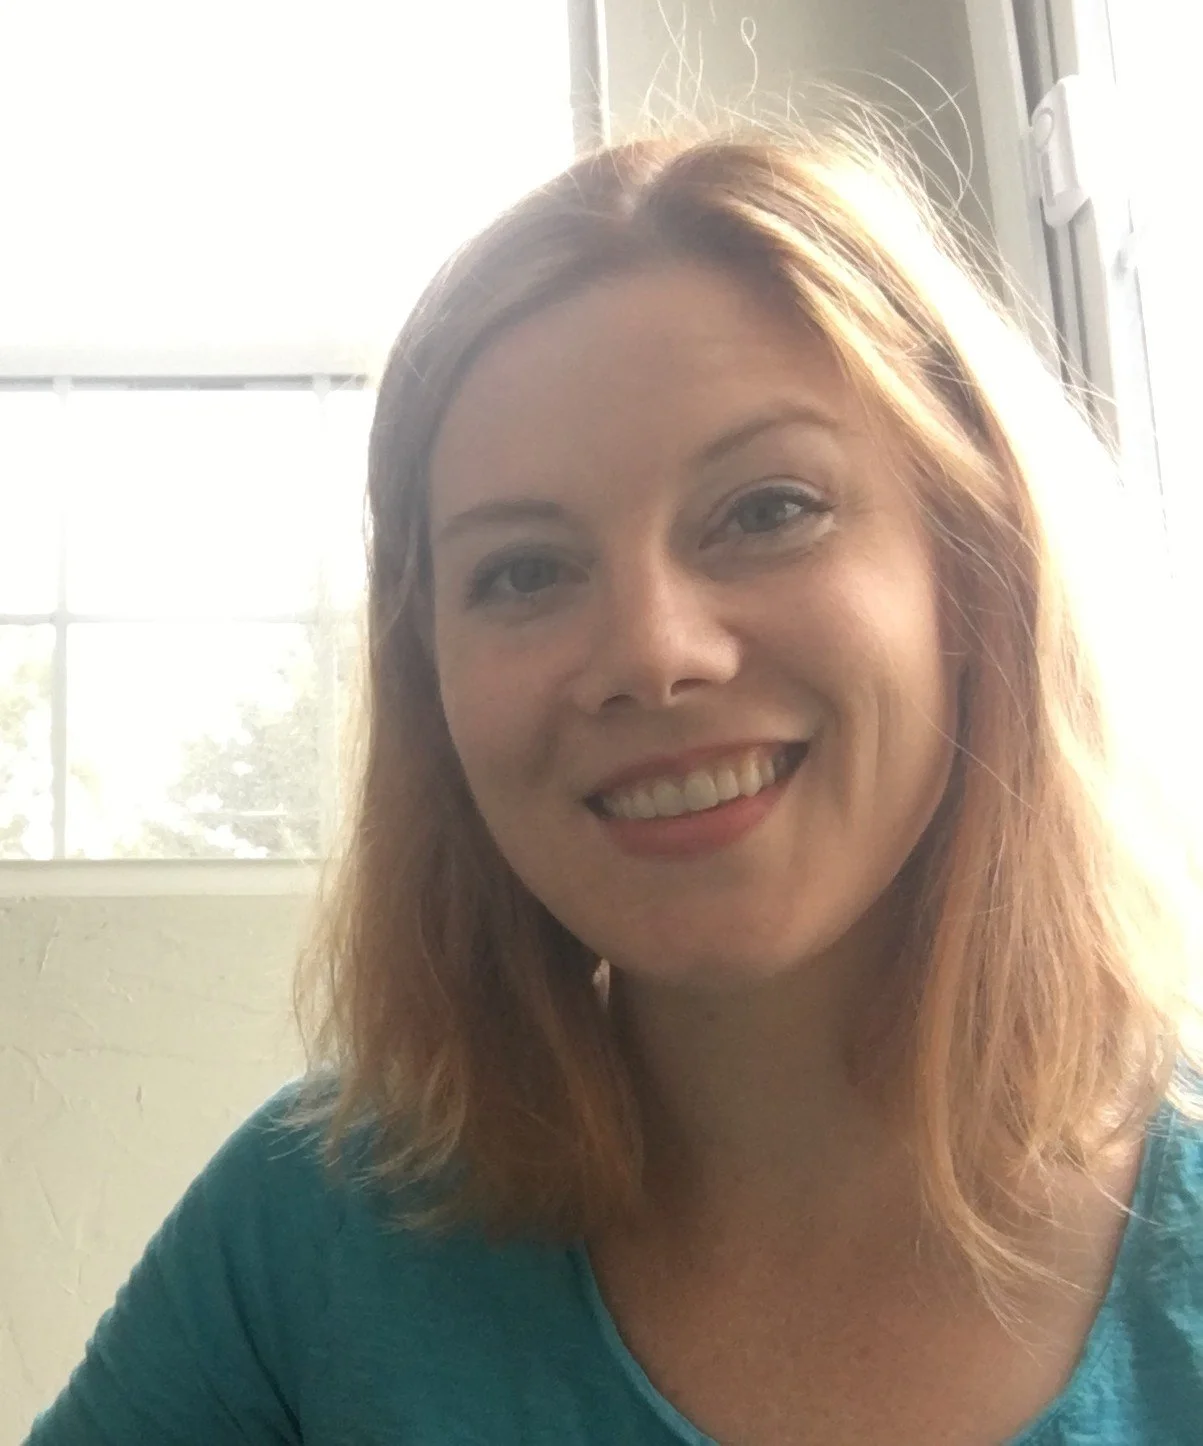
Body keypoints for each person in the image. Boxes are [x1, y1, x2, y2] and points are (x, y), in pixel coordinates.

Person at [26, 119, 1203, 1446]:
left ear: (979, 562)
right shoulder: (308, 1232)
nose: (648, 652)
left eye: (766, 509)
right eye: (523, 571)